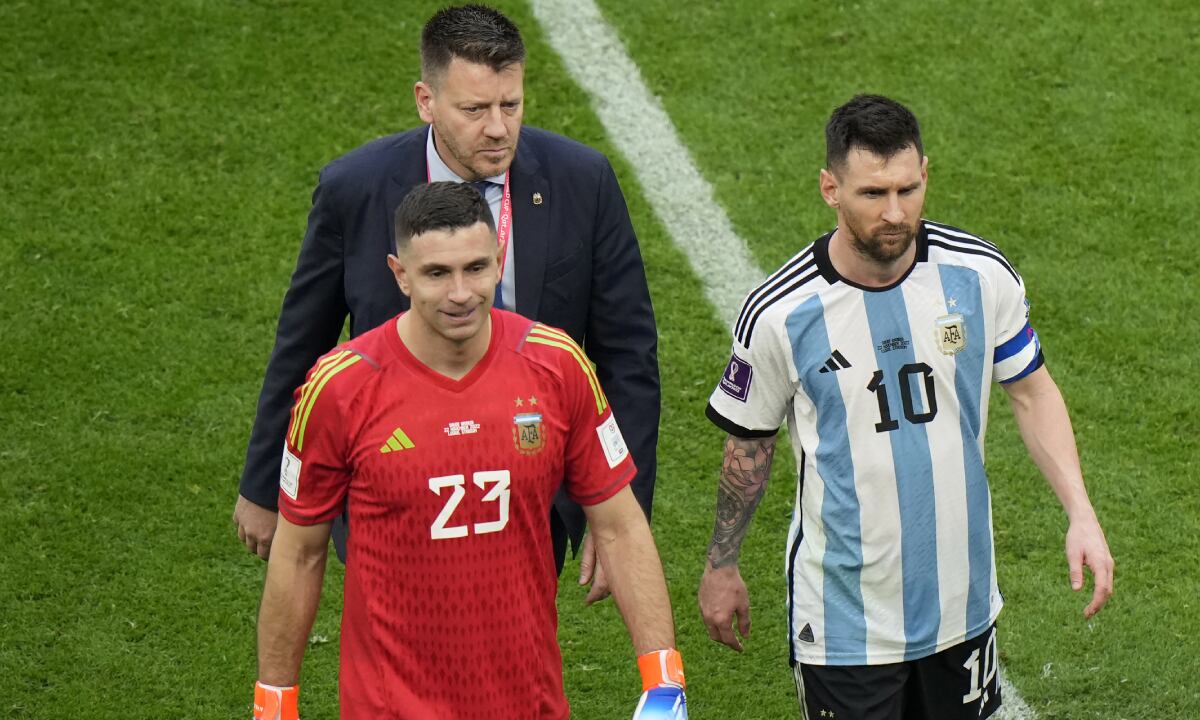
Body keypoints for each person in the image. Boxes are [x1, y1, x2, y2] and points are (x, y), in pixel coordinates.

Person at [696, 95, 1114, 719]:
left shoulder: (979, 275)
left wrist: (1081, 511)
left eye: (907, 189)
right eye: (873, 194)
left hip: (962, 605)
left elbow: (1032, 391)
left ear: (925, 175)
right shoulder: (781, 313)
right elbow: (748, 446)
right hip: (843, 620)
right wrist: (722, 564)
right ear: (830, 188)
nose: (895, 213)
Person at [234, 4, 659, 602]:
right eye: (475, 110)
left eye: (510, 105)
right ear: (426, 101)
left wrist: (623, 515)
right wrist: (263, 485)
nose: (498, 128)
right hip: (393, 482)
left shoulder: (581, 181)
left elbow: (627, 352)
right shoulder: (354, 189)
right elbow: (303, 344)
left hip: (529, 482)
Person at [251, 182, 685, 720]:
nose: (460, 293)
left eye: (476, 268)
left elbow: (619, 526)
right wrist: (274, 705)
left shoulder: (557, 365)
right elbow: (299, 553)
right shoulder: (339, 389)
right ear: (399, 274)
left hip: (531, 707)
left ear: (499, 260)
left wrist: (663, 680)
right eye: (437, 273)